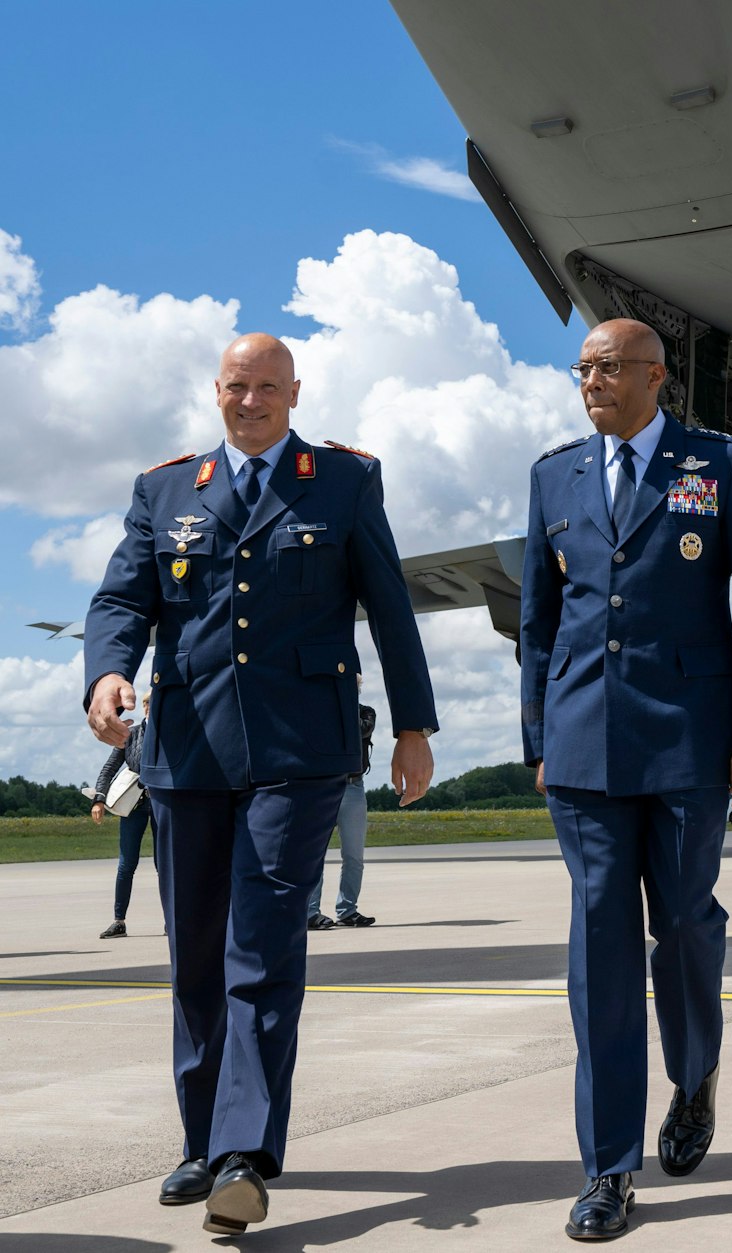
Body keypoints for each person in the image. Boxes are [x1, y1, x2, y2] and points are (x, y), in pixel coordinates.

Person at [83, 333, 438, 1236]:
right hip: (188, 753)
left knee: (264, 943)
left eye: (268, 387)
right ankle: (202, 1140)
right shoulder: (167, 490)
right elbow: (122, 599)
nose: (252, 401)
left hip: (299, 753)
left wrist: (412, 727)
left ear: (295, 392)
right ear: (217, 391)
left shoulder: (345, 480)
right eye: (238, 387)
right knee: (196, 954)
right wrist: (109, 670)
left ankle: (243, 1153)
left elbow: (390, 607)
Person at [519, 318, 732, 1242]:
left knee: (681, 921)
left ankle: (695, 1069)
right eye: (582, 368)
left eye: (607, 367)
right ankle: (608, 1167)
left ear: (655, 376)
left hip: (688, 739)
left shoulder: (722, 464)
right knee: (599, 944)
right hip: (582, 744)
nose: (591, 381)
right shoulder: (554, 474)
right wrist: (538, 736)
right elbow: (538, 621)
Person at [308, 691, 377, 929]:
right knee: (315, 855)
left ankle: (347, 910)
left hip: (354, 786)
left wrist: (343, 705)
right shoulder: (319, 710)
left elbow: (360, 730)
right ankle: (310, 913)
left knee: (354, 856)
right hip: (321, 787)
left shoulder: (365, 712)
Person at [89, 695, 150, 939]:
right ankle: (119, 921)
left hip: (164, 805)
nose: (149, 706)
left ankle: (173, 919)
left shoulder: (172, 733)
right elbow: (109, 769)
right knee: (126, 864)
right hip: (133, 805)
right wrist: (99, 799)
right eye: (146, 703)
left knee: (166, 864)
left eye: (153, 701)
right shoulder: (130, 735)